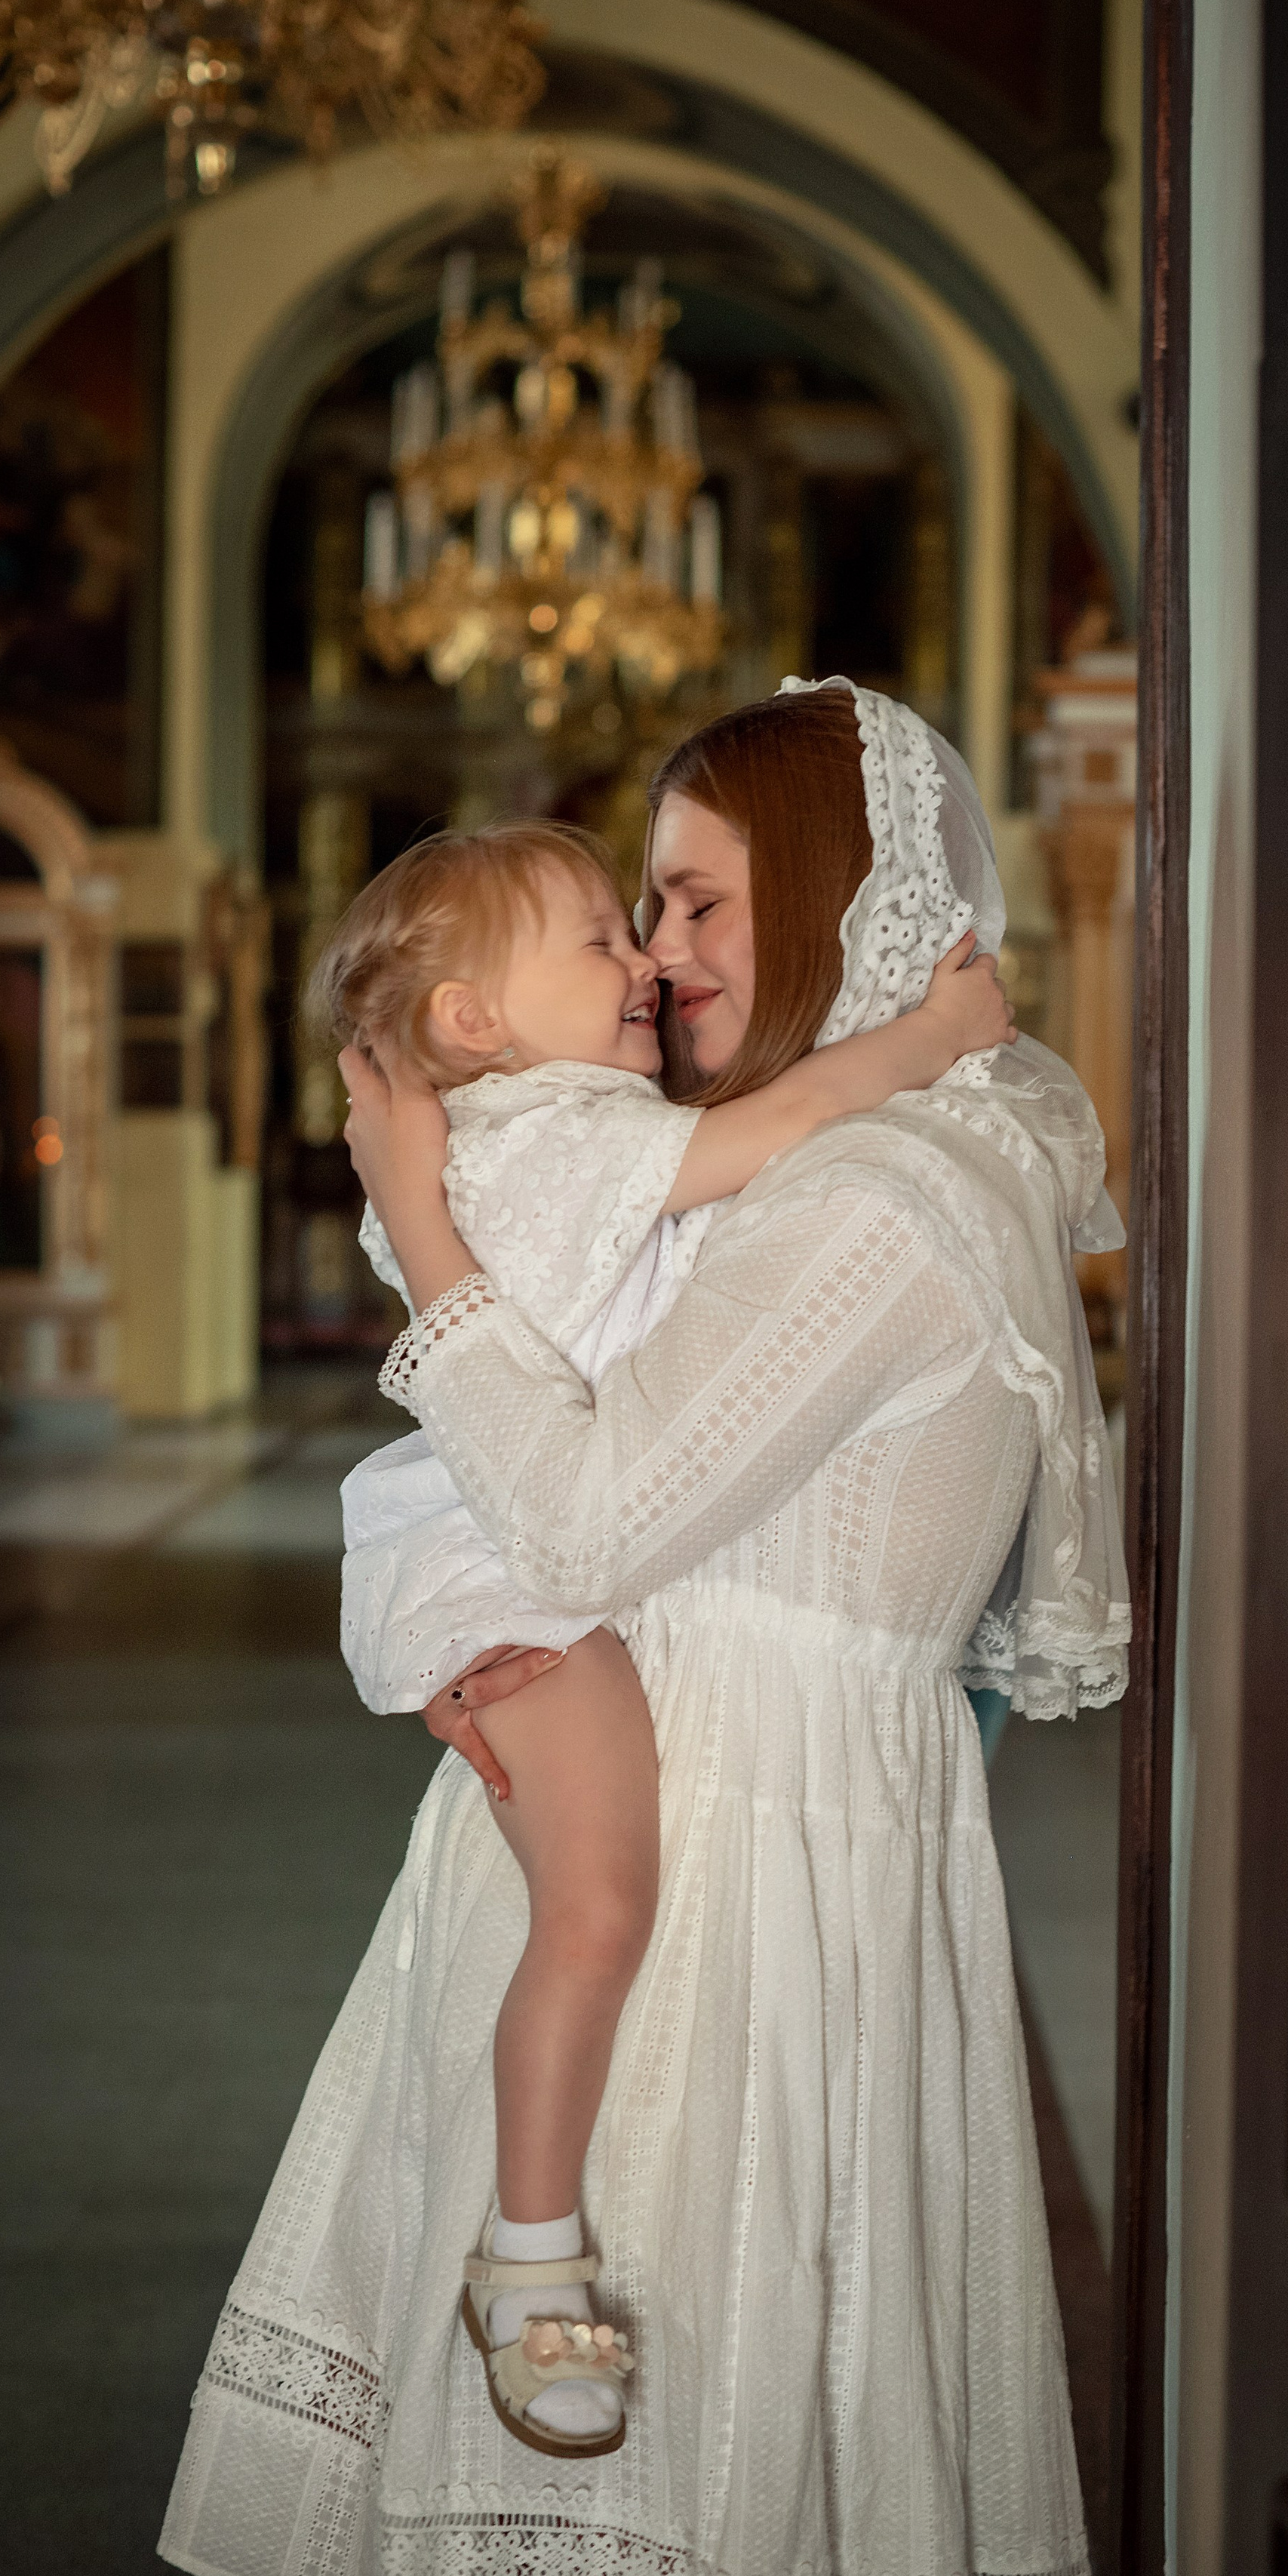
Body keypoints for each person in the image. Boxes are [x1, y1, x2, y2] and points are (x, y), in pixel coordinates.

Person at [159, 678, 1130, 2576]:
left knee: (654, 2539)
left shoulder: (878, 1199)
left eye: (694, 902)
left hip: (730, 1905)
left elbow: (593, 1516)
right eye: (642, 916)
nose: (666, 961)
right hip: (694, 1822)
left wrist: (426, 1233)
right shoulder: (849, 1159)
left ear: (837, 889)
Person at [311, 816, 1016, 2457]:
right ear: (475, 1022)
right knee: (601, 1898)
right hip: (511, 1573)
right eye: (598, 937)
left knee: (589, 1899)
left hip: (515, 1556)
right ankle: (531, 2256)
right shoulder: (549, 1133)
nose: (641, 958)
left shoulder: (553, 1117)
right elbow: (786, 1121)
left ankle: (529, 2240)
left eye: (660, 920)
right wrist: (930, 1035)